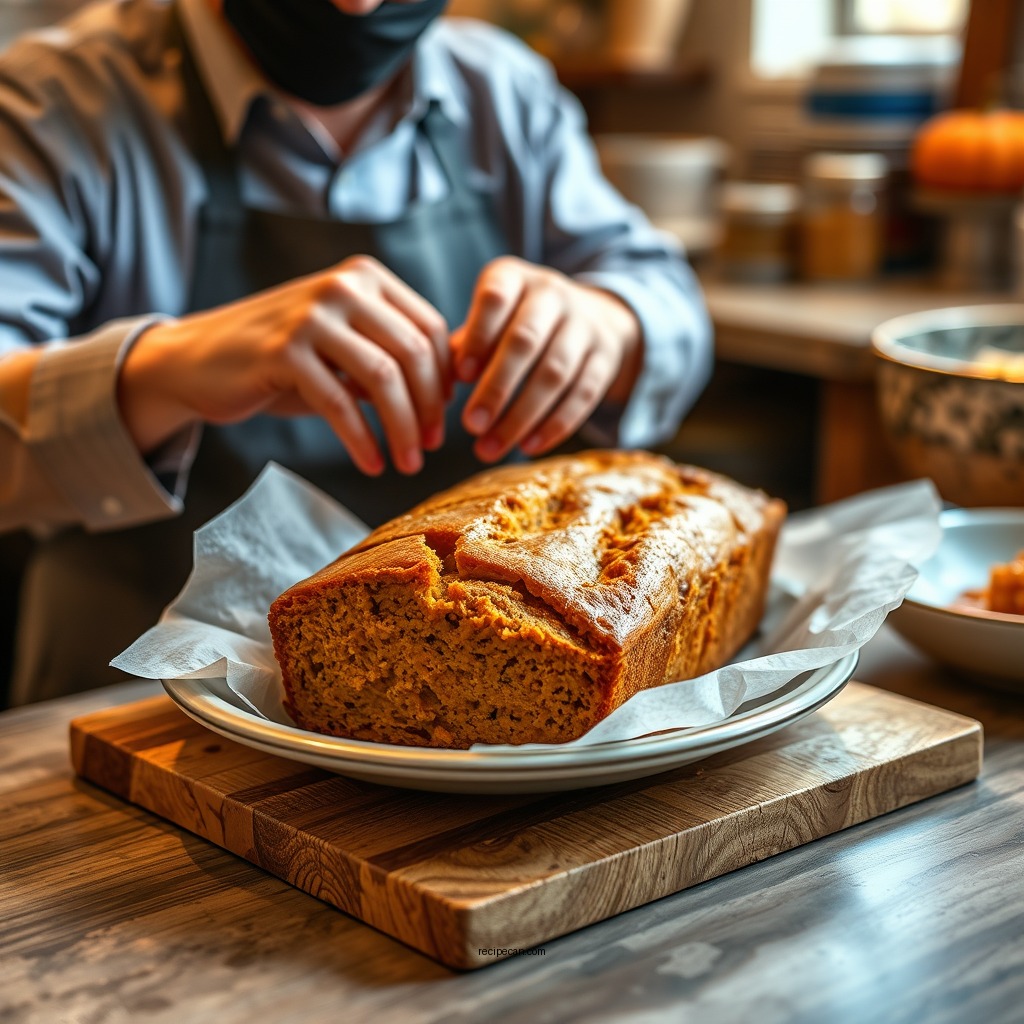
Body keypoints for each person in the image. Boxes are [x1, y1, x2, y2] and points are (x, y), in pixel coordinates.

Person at [0, 0, 712, 705]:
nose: (356, 5)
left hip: (486, 702)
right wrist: (165, 369)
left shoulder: (503, 92)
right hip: (127, 703)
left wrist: (609, 323)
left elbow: (666, 300)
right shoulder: (45, 103)